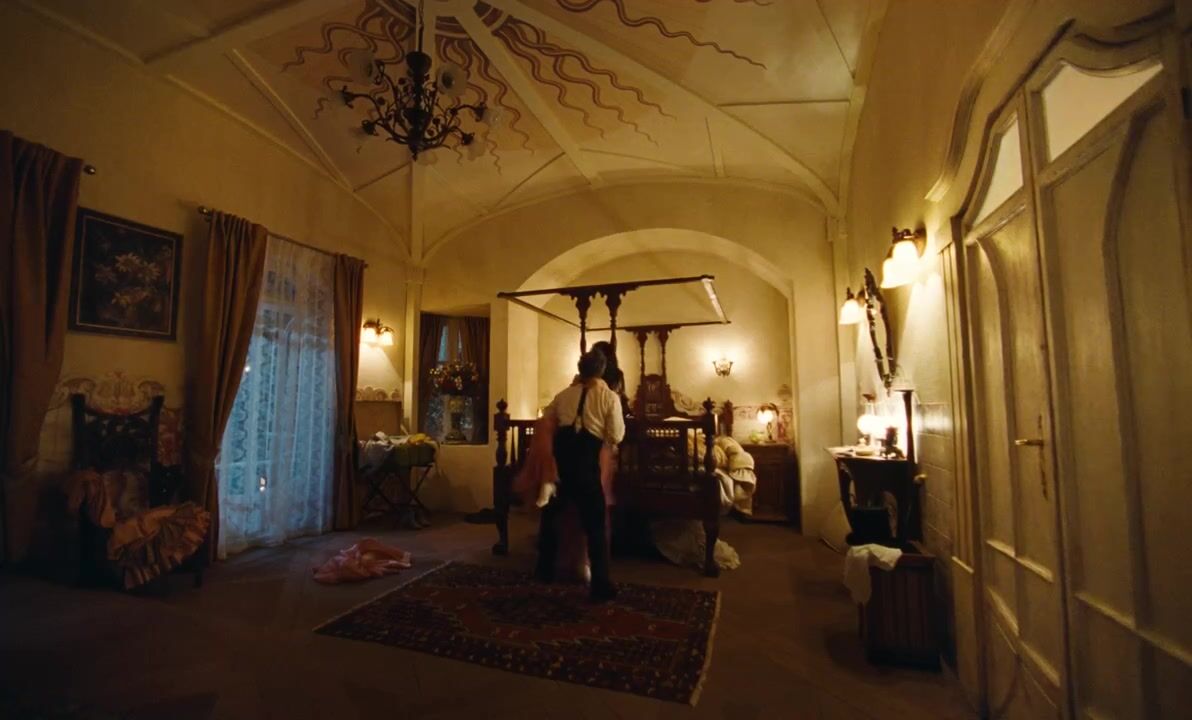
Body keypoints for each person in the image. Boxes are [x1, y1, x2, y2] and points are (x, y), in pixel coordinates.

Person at [535, 349, 625, 601]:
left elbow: (547, 417)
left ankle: (544, 570)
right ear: (602, 370)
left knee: (551, 516)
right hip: (586, 464)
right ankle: (600, 584)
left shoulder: (564, 394)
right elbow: (616, 435)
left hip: (563, 463)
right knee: (594, 524)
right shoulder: (609, 397)